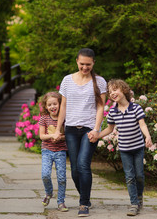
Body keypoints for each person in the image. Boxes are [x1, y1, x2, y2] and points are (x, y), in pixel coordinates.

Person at [54, 48, 107, 217]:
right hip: (70, 130)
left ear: (93, 63)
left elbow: (101, 107)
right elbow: (63, 106)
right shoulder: (67, 80)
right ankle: (86, 196)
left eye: (88, 65)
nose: (85, 67)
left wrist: (96, 130)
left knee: (83, 164)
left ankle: (83, 203)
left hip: (89, 130)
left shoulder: (99, 81)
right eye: (82, 64)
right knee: (75, 170)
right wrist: (57, 129)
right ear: (77, 61)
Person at [89, 79, 152, 216]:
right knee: (129, 177)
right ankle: (134, 204)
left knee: (139, 175)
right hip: (124, 150)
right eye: (110, 92)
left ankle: (139, 197)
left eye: (115, 90)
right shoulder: (113, 112)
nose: (112, 93)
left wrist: (147, 136)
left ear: (124, 90)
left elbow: (142, 125)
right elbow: (110, 129)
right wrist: (97, 135)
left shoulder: (136, 108)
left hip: (138, 148)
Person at [38, 91, 68, 212]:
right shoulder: (44, 118)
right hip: (47, 151)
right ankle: (48, 192)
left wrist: (61, 137)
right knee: (45, 174)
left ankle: (61, 201)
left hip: (60, 150)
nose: (52, 107)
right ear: (46, 107)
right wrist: (52, 136)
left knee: (61, 178)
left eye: (55, 104)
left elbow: (68, 135)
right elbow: (41, 136)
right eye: (49, 105)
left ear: (60, 104)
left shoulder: (64, 118)